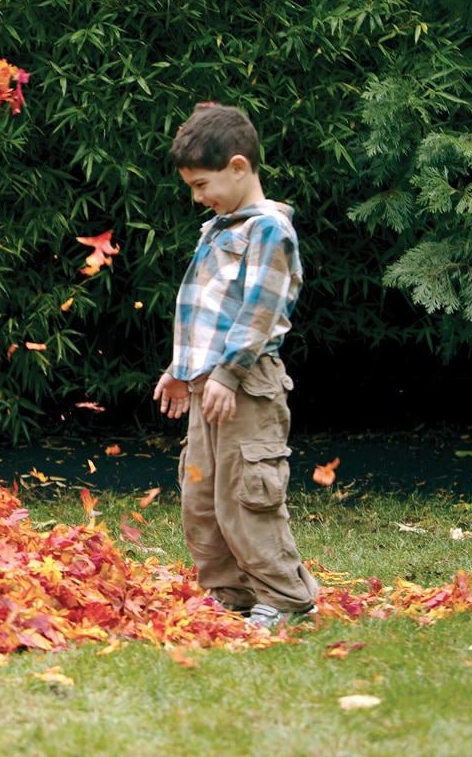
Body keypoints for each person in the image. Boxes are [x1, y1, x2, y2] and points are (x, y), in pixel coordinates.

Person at [151, 102, 318, 631]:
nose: (198, 197)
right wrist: (182, 369)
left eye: (202, 184)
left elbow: (259, 313)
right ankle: (231, 594)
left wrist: (227, 373)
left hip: (245, 386)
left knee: (248, 494)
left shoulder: (268, 232)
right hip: (208, 386)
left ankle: (285, 597)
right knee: (202, 495)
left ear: (239, 167)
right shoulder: (220, 228)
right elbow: (204, 310)